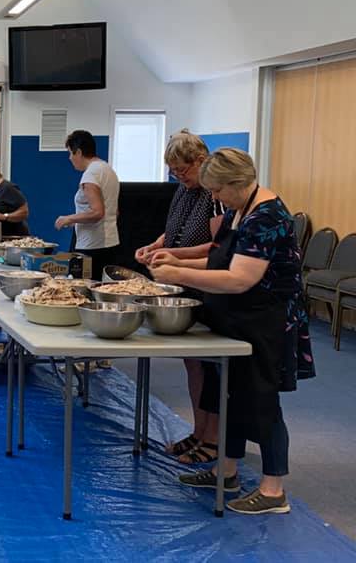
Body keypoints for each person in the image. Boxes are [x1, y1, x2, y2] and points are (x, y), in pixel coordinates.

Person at [150, 148, 313, 515]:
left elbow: (241, 277)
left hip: (265, 322)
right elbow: (222, 255)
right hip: (236, 318)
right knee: (225, 393)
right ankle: (225, 471)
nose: (215, 198)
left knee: (262, 401)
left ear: (237, 183)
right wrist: (177, 257)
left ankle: (274, 490)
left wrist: (178, 274)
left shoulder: (268, 216)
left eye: (219, 191)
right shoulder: (239, 209)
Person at [135, 130, 223, 463]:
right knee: (193, 363)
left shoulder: (215, 193)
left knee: (209, 365)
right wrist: (159, 245)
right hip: (184, 282)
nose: (179, 176)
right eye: (173, 172)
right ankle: (199, 432)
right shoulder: (185, 190)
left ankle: (212, 438)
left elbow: (217, 247)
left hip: (206, 285)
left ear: (201, 161)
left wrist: (176, 255)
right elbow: (175, 228)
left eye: (183, 170)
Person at [54, 130, 120, 281]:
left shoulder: (91, 175)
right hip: (110, 242)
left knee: (84, 291)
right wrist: (78, 219)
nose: (70, 158)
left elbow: (97, 212)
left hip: (91, 246)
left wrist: (69, 219)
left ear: (79, 152)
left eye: (71, 153)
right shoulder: (107, 169)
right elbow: (114, 211)